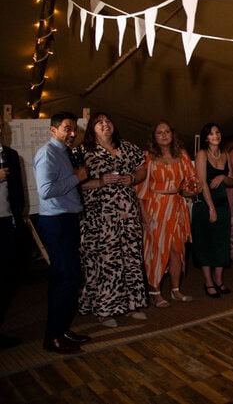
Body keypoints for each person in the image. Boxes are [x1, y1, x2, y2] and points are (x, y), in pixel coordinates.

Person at [74, 112, 148, 327]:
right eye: (99, 122)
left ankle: (132, 305)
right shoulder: (82, 151)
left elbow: (142, 169)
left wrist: (133, 178)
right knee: (106, 260)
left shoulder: (127, 147)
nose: (105, 125)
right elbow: (75, 182)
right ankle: (105, 310)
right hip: (99, 216)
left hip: (127, 214)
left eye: (108, 121)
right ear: (92, 128)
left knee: (131, 257)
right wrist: (100, 181)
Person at [33, 111, 91, 354]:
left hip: (66, 219)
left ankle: (62, 330)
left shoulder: (64, 153)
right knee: (66, 278)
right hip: (56, 221)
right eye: (67, 128)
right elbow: (45, 190)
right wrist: (76, 178)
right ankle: (53, 336)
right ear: (53, 130)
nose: (72, 133)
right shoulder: (47, 153)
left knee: (68, 278)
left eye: (74, 129)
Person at [137, 120, 199, 308]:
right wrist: (143, 213)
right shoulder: (147, 156)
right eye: (159, 132)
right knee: (156, 250)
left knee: (177, 251)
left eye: (167, 131)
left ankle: (175, 290)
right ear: (154, 137)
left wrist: (192, 187)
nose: (164, 135)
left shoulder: (182, 155)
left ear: (172, 134)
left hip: (177, 206)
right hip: (155, 206)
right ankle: (155, 291)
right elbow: (139, 187)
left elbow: (192, 178)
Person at [192, 123, 233, 298]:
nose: (215, 135)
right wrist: (211, 208)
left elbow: (232, 181)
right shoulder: (201, 154)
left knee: (222, 243)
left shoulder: (226, 154)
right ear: (206, 138)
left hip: (223, 204)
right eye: (211, 133)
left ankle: (219, 279)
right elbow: (201, 183)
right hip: (205, 204)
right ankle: (208, 282)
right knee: (206, 244)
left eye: (217, 132)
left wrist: (223, 177)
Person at [0, 119, 26, 349]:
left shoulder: (10, 154)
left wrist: (18, 217)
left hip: (7, 223)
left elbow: (17, 191)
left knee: (7, 280)